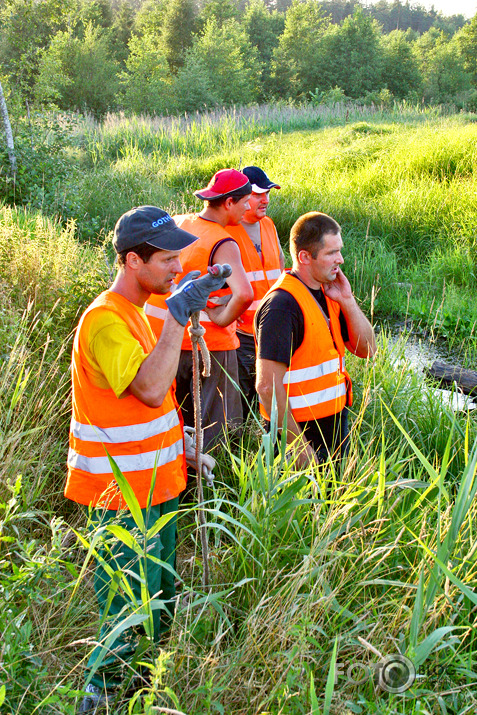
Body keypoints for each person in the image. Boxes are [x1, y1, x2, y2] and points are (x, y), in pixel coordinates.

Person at [65, 206, 230, 712]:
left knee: (156, 605)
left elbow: (142, 413)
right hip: (121, 499)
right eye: (167, 260)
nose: (178, 267)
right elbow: (153, 388)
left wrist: (184, 448)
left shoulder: (137, 312)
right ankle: (102, 700)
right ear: (132, 260)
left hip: (157, 487)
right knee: (124, 614)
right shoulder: (104, 321)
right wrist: (179, 314)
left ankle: (142, 695)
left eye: (180, 256)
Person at [255, 211, 376, 467]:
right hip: (296, 438)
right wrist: (299, 448)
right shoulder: (282, 306)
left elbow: (367, 349)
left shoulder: (328, 292)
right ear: (304, 257)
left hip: (332, 429)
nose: (341, 259)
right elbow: (266, 386)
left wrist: (348, 300)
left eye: (339, 250)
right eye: (332, 253)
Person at [146, 169, 254, 451]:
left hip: (164, 341)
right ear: (229, 202)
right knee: (212, 431)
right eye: (245, 201)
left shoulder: (178, 224)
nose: (248, 208)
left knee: (174, 423)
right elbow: (245, 294)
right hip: (208, 348)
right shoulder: (223, 241)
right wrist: (221, 316)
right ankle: (210, 486)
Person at [226, 166, 284, 411]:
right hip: (241, 337)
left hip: (271, 331)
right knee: (241, 399)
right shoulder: (226, 232)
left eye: (268, 193)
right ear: (241, 197)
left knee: (271, 396)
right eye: (259, 194)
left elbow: (281, 270)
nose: (266, 200)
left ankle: (266, 442)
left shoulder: (269, 225)